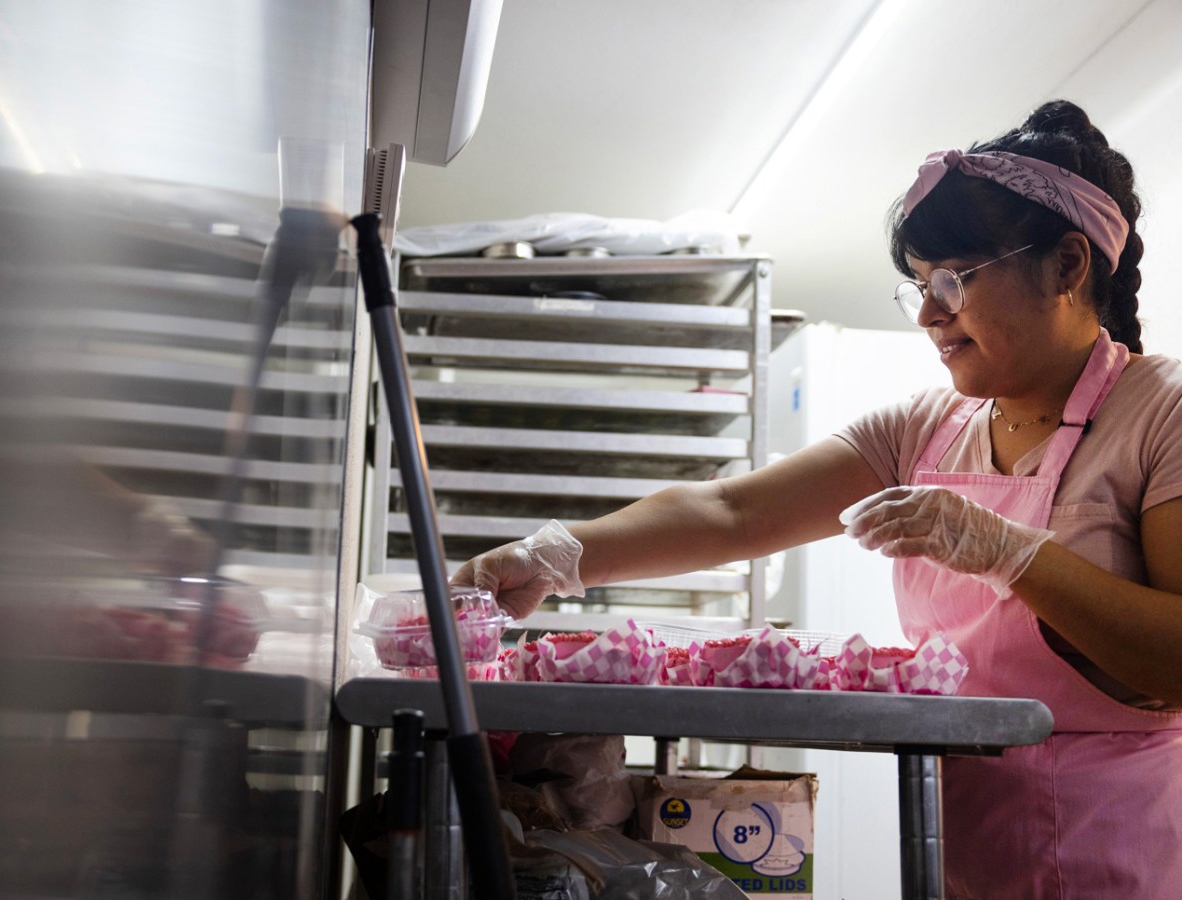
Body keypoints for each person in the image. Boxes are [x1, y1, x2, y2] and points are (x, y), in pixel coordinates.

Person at [451, 99, 1182, 897]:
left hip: (1122, 851)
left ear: (1069, 266)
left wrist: (1010, 553)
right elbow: (730, 512)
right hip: (958, 844)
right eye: (917, 288)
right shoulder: (926, 426)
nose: (931, 314)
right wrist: (554, 554)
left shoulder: (1160, 412)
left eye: (952, 280)